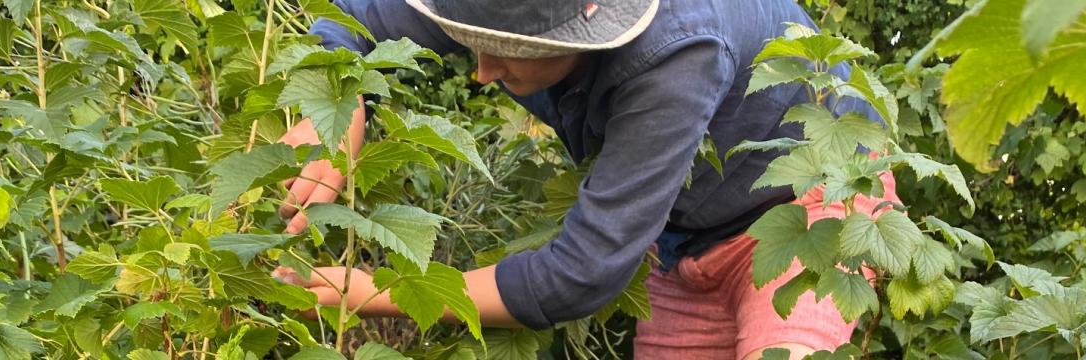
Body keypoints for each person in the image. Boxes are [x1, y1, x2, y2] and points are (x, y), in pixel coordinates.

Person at [270, 0, 901, 358]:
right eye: (472, 40)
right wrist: (335, 107)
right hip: (687, 240)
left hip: (816, 214)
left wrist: (373, 289)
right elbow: (350, 18)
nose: (482, 69)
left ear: (589, 24)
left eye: (510, 49)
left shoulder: (677, 53)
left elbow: (581, 274)